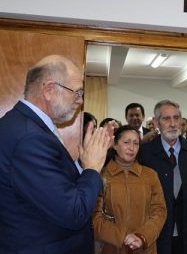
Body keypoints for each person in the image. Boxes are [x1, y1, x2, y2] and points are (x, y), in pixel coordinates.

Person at [0, 54, 113, 253]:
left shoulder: (28, 127)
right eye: (76, 92)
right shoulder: (29, 137)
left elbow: (55, 188)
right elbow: (74, 212)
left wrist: (83, 162)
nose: (80, 100)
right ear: (49, 90)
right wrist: (93, 168)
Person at [138, 99, 187, 254]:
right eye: (166, 119)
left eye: (176, 118)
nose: (173, 123)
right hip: (156, 232)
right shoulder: (145, 153)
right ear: (156, 122)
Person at [93, 125, 167, 254]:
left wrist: (142, 236)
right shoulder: (100, 175)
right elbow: (95, 216)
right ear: (115, 145)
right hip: (111, 247)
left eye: (136, 143)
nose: (131, 148)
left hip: (145, 247)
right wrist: (123, 237)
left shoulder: (150, 175)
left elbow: (159, 211)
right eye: (126, 142)